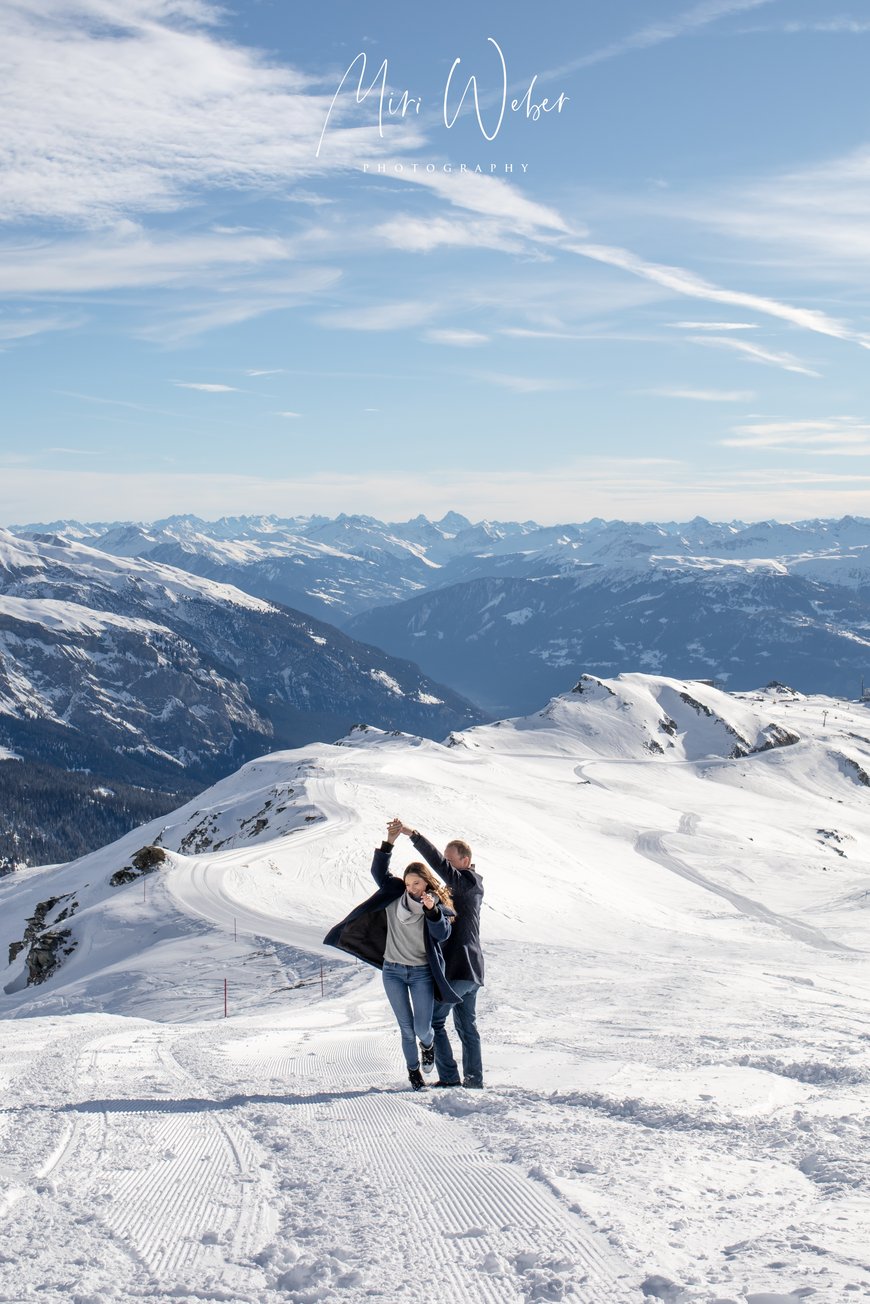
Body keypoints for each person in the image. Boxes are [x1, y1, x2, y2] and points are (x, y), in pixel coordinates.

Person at [324, 824, 459, 1090]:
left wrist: (432, 911)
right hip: (393, 971)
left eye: (416, 883)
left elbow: (442, 935)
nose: (411, 888)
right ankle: (414, 1073)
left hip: (421, 973)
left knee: (422, 1029)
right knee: (406, 1028)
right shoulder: (395, 892)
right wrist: (389, 841)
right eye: (408, 883)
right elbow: (378, 872)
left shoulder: (435, 905)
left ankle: (428, 1045)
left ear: (426, 882)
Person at [388, 819, 484, 1089]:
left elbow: (439, 866)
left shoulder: (466, 881)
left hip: (461, 968)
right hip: (472, 971)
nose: (446, 865)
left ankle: (451, 1077)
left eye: (451, 861)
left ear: (465, 861)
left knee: (434, 1021)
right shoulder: (469, 886)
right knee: (467, 1028)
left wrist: (413, 835)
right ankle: (474, 1081)